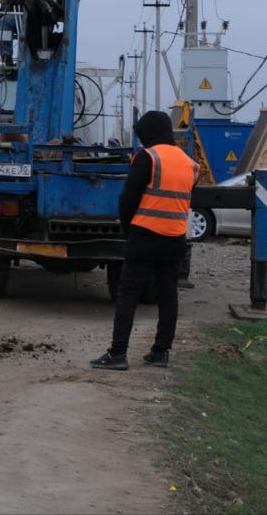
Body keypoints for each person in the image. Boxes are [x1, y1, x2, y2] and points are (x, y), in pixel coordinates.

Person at [91, 110, 199, 370]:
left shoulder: (148, 158)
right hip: (174, 238)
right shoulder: (189, 164)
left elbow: (128, 198)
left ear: (149, 133)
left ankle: (118, 354)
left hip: (144, 235)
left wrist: (128, 228)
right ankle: (160, 352)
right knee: (167, 295)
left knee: (128, 293)